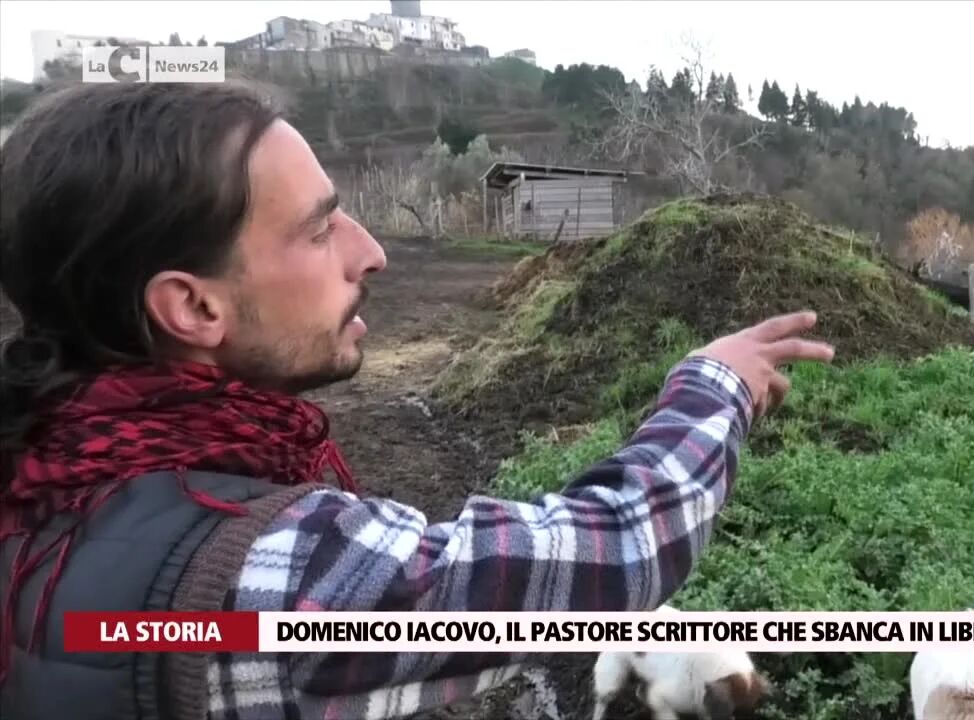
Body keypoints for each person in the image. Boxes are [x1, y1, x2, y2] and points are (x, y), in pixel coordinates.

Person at [0, 79, 834, 720]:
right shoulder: (257, 578)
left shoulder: (46, 472)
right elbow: (605, 562)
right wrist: (713, 387)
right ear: (192, 307)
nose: (371, 253)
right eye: (320, 229)